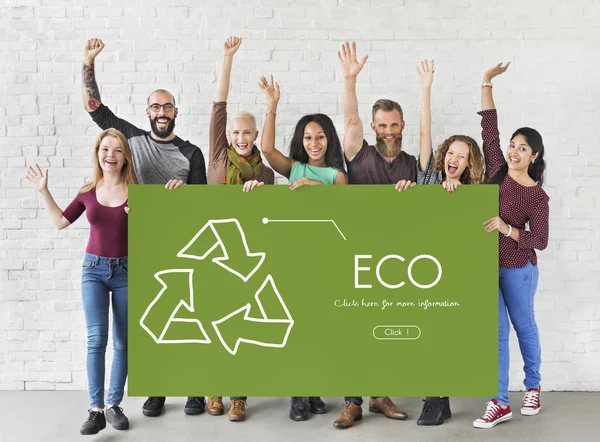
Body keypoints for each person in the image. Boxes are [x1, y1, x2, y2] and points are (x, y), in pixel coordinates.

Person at [81, 37, 207, 418]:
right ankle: (156, 390)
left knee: (188, 318)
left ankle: (194, 390)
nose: (162, 111)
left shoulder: (191, 153)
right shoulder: (131, 139)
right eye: (155, 106)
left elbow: (204, 206)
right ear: (148, 111)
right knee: (152, 323)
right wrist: (87, 63)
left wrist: (183, 193)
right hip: (138, 249)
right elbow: (95, 109)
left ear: (176, 111)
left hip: (183, 246)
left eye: (167, 106)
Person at [245, 74, 346, 421]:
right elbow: (268, 152)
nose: (314, 142)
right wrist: (272, 106)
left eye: (319, 137)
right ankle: (298, 396)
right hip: (295, 256)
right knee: (297, 325)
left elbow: (344, 208)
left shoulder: (336, 175)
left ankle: (313, 390)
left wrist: (315, 190)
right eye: (307, 137)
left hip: (327, 258)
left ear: (328, 140)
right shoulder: (295, 167)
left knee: (320, 327)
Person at [26, 129, 137, 435]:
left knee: (123, 341)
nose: (110, 156)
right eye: (105, 150)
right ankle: (96, 409)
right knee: (96, 339)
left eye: (116, 150)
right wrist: (43, 190)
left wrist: (147, 210)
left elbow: (160, 228)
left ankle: (115, 405)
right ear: (97, 153)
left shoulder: (137, 191)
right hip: (94, 270)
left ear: (124, 156)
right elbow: (61, 221)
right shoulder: (88, 190)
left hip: (128, 271)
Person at [333, 40, 411, 429]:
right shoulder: (358, 152)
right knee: (352, 329)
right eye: (382, 125)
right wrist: (350, 81)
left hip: (395, 260)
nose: (388, 131)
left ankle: (380, 395)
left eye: (394, 124)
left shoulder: (413, 164)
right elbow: (349, 122)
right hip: (356, 253)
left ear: (402, 126)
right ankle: (353, 401)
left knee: (385, 330)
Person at [473, 63, 549, 429]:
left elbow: (541, 241)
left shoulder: (537, 196)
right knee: (496, 335)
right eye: (512, 145)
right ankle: (499, 402)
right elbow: (489, 126)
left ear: (534, 156)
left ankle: (532, 386)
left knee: (524, 326)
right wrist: (487, 81)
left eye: (523, 148)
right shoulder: (495, 172)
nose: (514, 151)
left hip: (519, 270)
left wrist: (508, 229)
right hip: (486, 268)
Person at [205, 36, 275, 423]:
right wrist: (227, 58)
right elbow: (219, 106)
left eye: (247, 133)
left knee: (242, 324)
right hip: (216, 251)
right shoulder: (218, 158)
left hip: (249, 256)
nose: (241, 138)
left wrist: (261, 193)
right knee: (215, 322)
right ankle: (214, 387)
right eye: (235, 133)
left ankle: (239, 397)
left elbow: (270, 218)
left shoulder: (264, 172)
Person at [414, 60, 484, 426]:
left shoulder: (473, 193)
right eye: (452, 153)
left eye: (463, 156)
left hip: (449, 272)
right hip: (419, 268)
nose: (455, 159)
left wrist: (458, 199)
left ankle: (436, 398)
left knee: (440, 336)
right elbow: (425, 133)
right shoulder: (427, 176)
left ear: (470, 163)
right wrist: (425, 88)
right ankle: (435, 399)